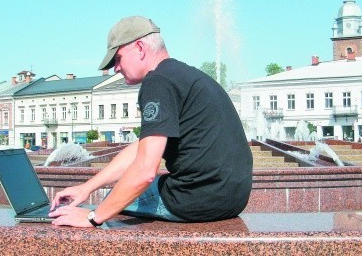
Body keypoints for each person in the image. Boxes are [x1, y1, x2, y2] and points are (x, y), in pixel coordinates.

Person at [49, 16, 253, 227]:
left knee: (114, 199)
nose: (115, 69)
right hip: (235, 199)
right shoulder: (188, 76)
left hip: (193, 200)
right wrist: (86, 188)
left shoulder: (157, 82)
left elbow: (146, 171)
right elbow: (141, 149)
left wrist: (93, 218)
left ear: (139, 48)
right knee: (118, 194)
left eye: (117, 58)